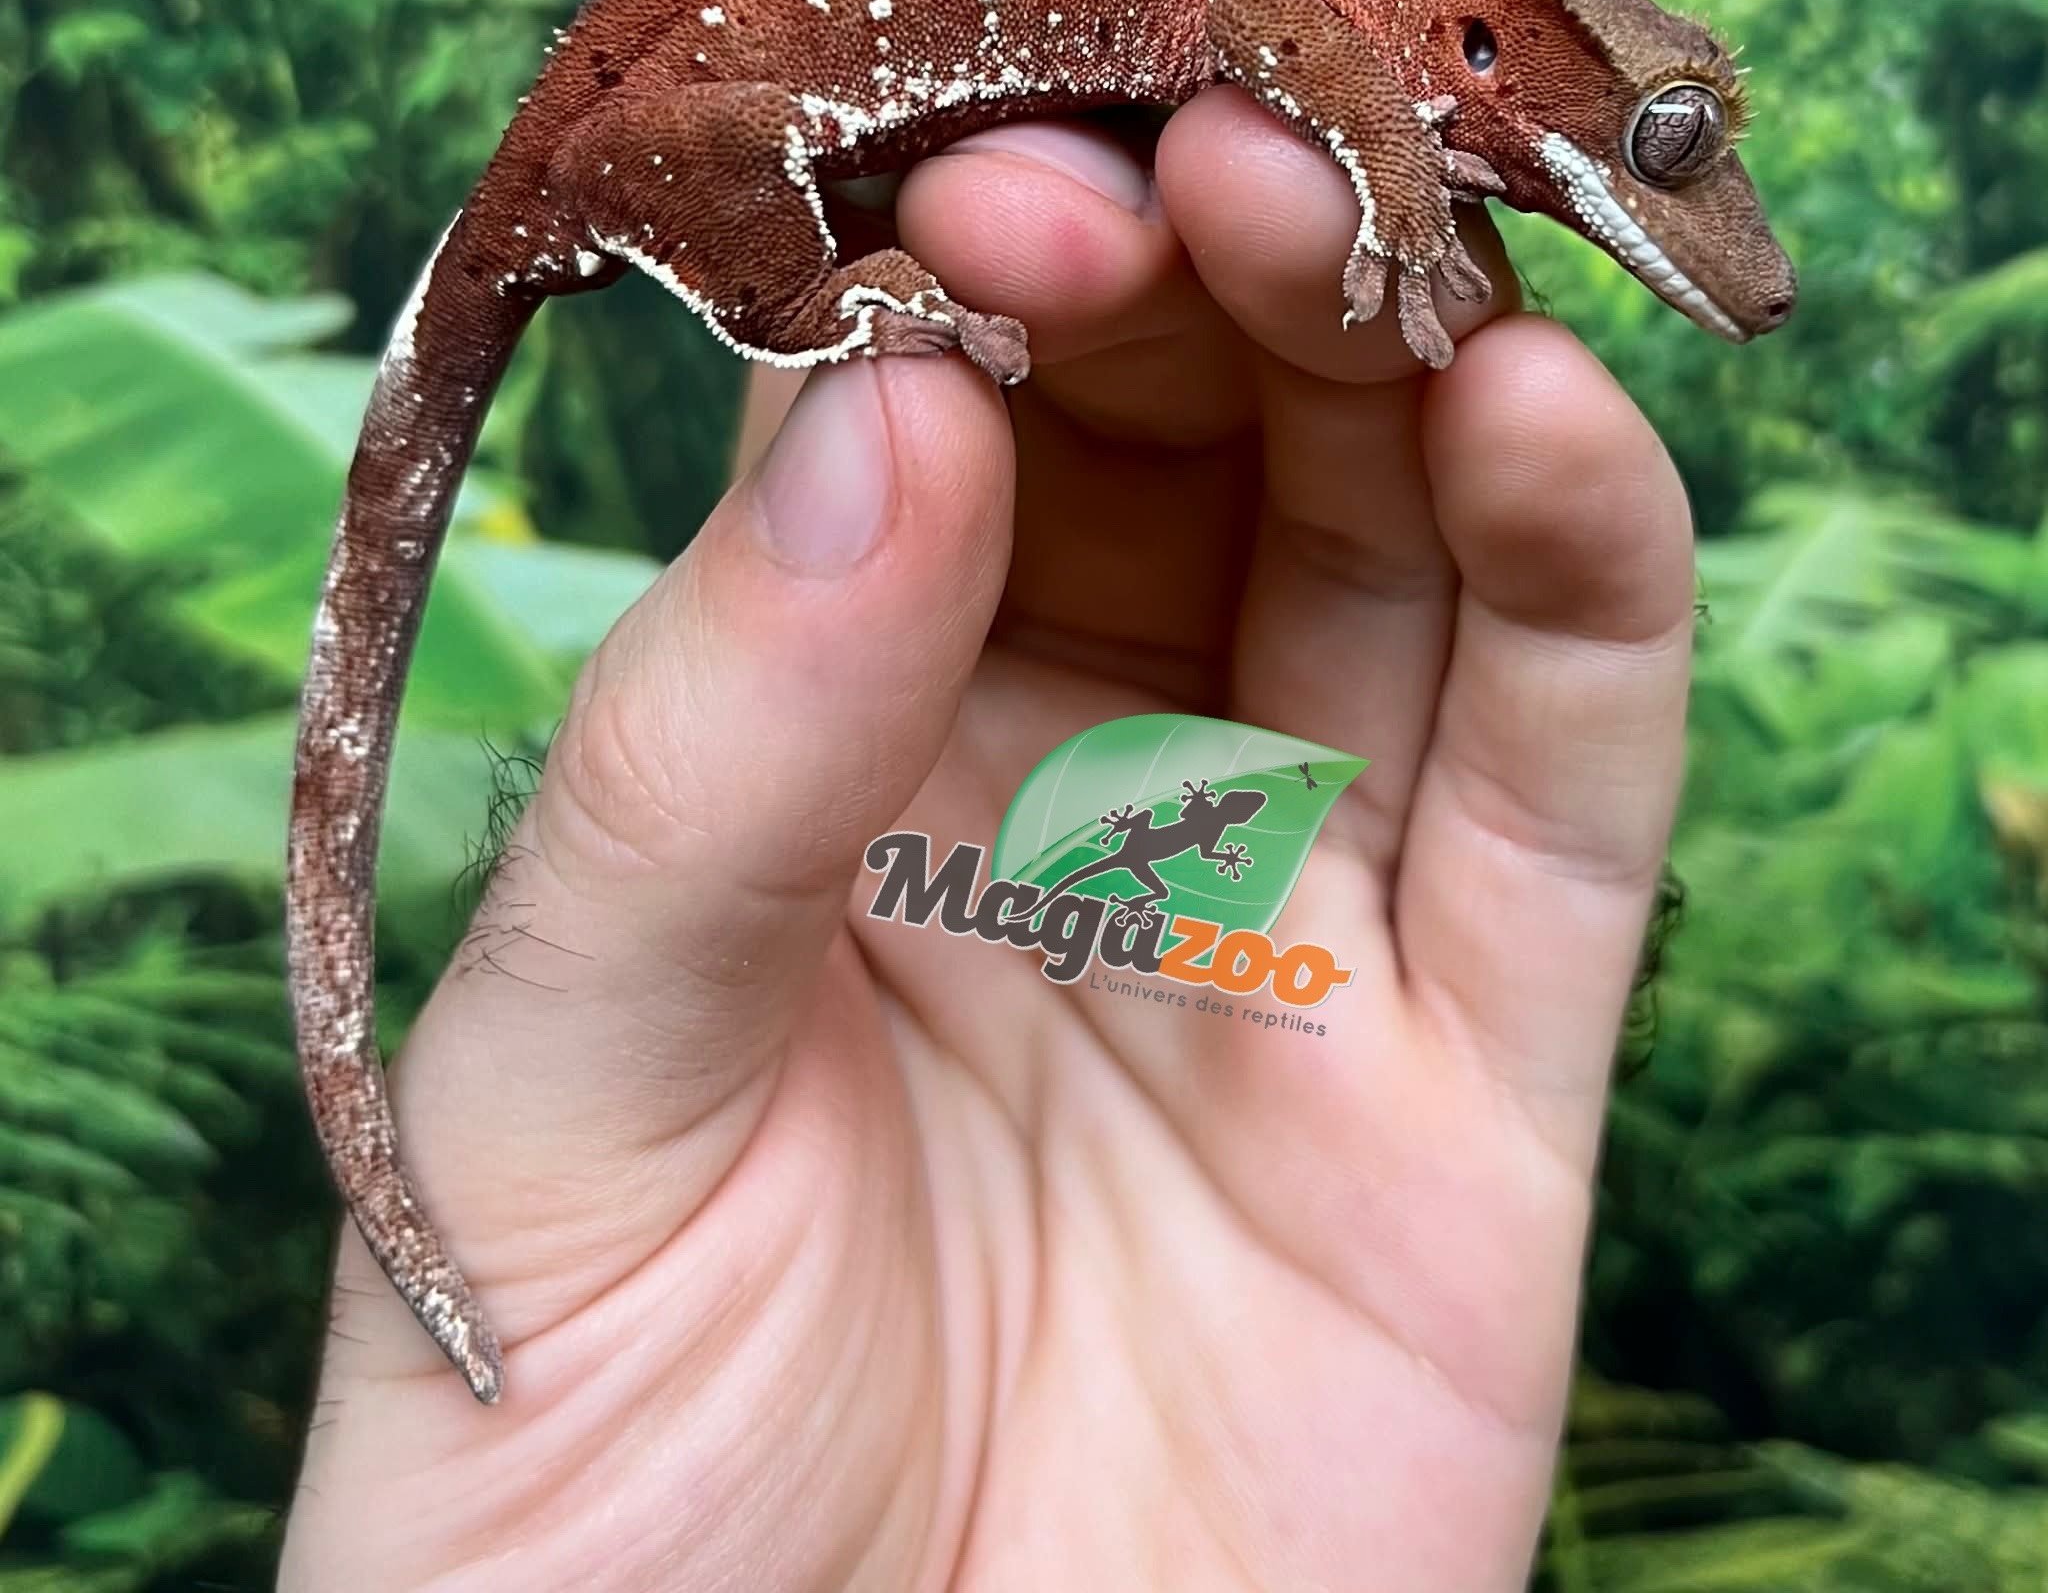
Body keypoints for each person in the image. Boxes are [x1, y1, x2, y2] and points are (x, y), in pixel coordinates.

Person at [280, 85, 1696, 1591]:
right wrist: (1397, 181)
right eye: (1670, 145)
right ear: (1483, 37)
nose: (1720, 225)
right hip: (710, 106)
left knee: (1060, 237)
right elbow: (1262, 29)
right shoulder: (1362, 17)